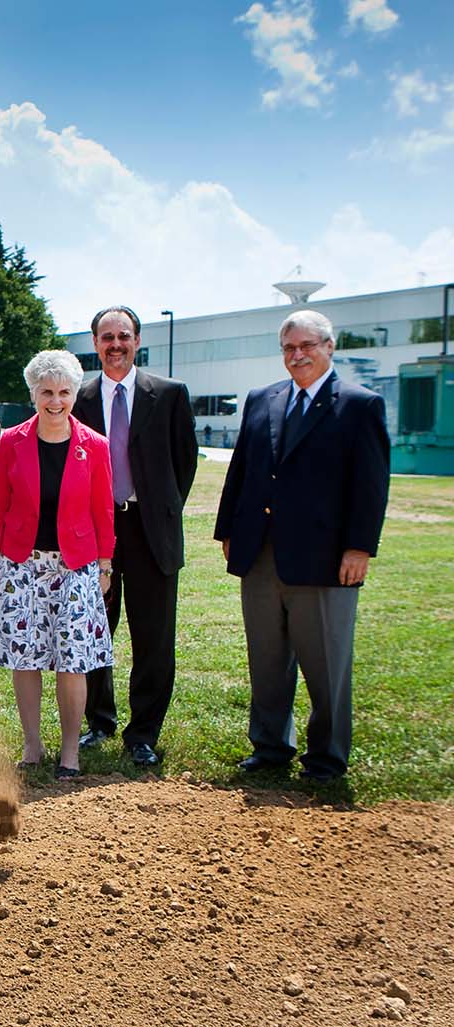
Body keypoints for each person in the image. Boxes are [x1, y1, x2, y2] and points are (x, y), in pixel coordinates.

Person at [214, 309, 390, 782]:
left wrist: (359, 548)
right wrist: (229, 529)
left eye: (307, 346)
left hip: (326, 559)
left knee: (325, 664)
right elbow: (242, 471)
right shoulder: (262, 399)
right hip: (260, 553)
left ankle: (326, 757)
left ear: (330, 347)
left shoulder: (358, 405)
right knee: (267, 659)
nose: (297, 355)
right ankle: (270, 746)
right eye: (289, 348)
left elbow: (370, 486)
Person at [72, 306, 197, 766]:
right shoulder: (78, 399)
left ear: (138, 340)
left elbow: (185, 462)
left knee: (153, 635)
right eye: (106, 337)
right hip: (96, 531)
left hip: (150, 531)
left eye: (123, 336)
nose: (115, 345)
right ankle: (99, 721)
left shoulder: (168, 395)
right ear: (95, 344)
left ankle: (142, 732)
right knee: (93, 627)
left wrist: (160, 511)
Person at [0, 349, 115, 778]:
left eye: (63, 392)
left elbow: (102, 511)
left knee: (72, 660)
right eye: (46, 392)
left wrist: (105, 566)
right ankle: (32, 744)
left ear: (74, 394)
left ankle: (71, 752)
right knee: (27, 658)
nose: (55, 401)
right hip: (21, 564)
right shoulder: (11, 441)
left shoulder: (95, 446)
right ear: (33, 393)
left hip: (75, 567)